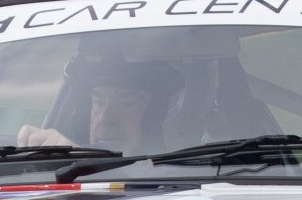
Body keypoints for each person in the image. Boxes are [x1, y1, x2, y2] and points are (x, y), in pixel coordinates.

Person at [17, 53, 180, 154]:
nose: (106, 119)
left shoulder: (181, 175)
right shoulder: (59, 176)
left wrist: (78, 157)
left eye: (127, 104)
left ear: (154, 115)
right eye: (99, 102)